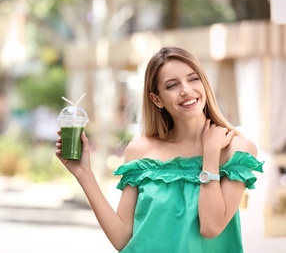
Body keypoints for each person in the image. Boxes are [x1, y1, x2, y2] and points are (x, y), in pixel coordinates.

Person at [55, 46, 263, 252]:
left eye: (193, 79)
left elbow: (211, 227)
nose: (186, 90)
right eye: (172, 85)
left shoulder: (237, 150)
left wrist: (210, 156)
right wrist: (84, 173)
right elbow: (122, 239)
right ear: (157, 99)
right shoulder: (140, 151)